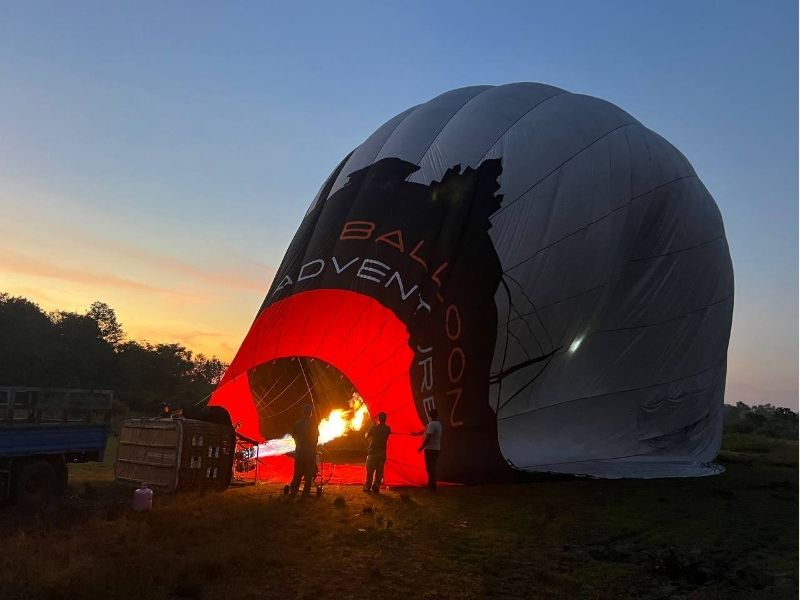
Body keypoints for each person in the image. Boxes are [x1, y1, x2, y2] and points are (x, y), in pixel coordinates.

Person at [288, 404, 319, 497]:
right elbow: (316, 438)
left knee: (297, 474)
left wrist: (299, 443)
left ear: (303, 412)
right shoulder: (313, 424)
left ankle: (293, 493)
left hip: (299, 453)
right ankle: (305, 496)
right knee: (308, 475)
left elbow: (294, 436)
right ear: (311, 413)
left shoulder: (297, 423)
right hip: (309, 453)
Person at [415, 408, 442, 491]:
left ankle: (432, 487)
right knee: (431, 467)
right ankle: (430, 485)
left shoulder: (432, 424)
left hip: (430, 449)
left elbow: (428, 437)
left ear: (429, 416)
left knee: (430, 468)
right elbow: (424, 431)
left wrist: (421, 447)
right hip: (436, 448)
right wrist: (415, 434)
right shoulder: (438, 424)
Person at [363, 412, 391, 493]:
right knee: (379, 471)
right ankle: (376, 486)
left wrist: (368, 430)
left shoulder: (373, 428)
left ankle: (368, 486)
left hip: (373, 452)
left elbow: (367, 436)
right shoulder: (388, 429)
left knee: (370, 470)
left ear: (379, 419)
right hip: (382, 452)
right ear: (385, 420)